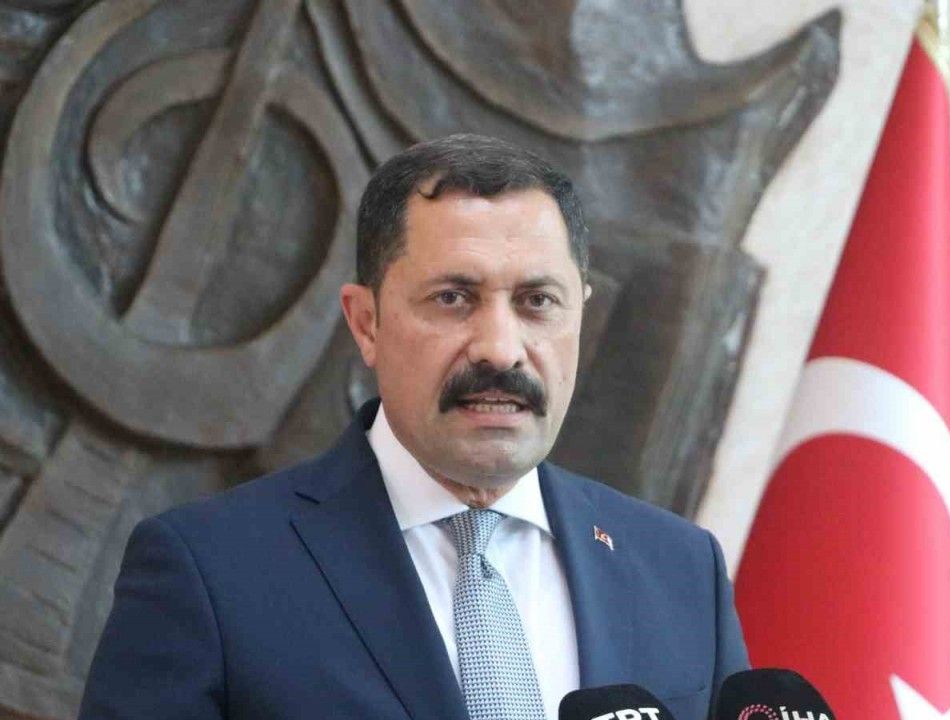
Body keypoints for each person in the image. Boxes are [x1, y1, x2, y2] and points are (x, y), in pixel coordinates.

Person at [78, 134, 748, 720]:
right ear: (366, 323)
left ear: (581, 316)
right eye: (453, 298)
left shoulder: (680, 569)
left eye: (537, 301)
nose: (500, 350)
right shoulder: (210, 571)